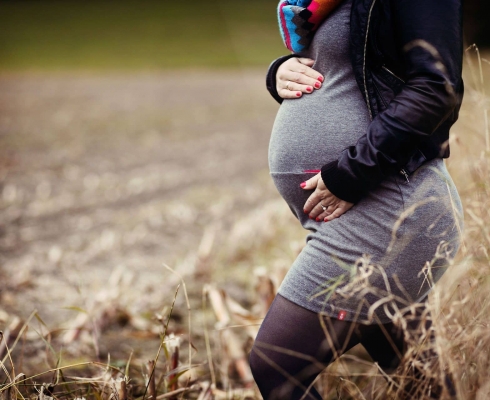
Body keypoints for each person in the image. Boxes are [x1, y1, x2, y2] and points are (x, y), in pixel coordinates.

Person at [249, 0, 464, 399]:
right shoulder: (320, 5)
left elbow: (437, 88)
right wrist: (279, 73)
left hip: (389, 213)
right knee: (418, 381)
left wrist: (351, 175)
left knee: (278, 366)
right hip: (371, 215)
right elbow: (349, 69)